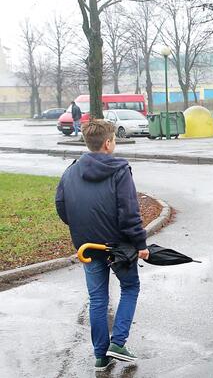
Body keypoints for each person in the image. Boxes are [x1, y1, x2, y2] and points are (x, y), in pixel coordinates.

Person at [54, 119, 149, 372]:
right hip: (117, 246)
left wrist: (80, 227)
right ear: (108, 143)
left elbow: (62, 206)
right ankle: (117, 343)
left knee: (97, 299)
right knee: (130, 287)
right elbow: (129, 212)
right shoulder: (120, 169)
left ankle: (100, 356)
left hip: (87, 246)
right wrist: (140, 243)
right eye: (114, 140)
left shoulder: (71, 171)